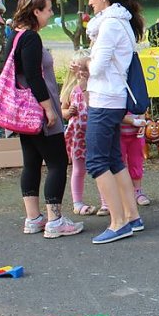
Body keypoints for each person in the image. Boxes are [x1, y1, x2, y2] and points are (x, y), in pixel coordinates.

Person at [71, 0, 145, 244]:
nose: (89, 2)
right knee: (113, 159)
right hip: (114, 99)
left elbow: (99, 66)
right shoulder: (120, 22)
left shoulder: (110, 25)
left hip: (105, 99)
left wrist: (84, 65)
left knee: (97, 161)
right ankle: (131, 216)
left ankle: (118, 222)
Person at [10, 0, 83, 239]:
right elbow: (33, 76)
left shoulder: (14, 36)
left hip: (22, 113)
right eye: (48, 9)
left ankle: (34, 218)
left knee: (31, 162)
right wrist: (49, 109)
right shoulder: (30, 38)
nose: (51, 14)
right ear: (36, 12)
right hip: (37, 110)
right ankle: (55, 220)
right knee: (57, 163)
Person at [61, 50, 97, 217]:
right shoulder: (70, 89)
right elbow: (62, 110)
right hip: (77, 135)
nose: (82, 71)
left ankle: (106, 202)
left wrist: (85, 87)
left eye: (85, 67)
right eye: (78, 67)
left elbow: (92, 105)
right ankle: (77, 202)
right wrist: (68, 112)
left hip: (94, 133)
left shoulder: (94, 86)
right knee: (78, 169)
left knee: (100, 167)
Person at [121, 112, 150, 206]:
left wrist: (142, 122)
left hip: (136, 135)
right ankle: (123, 193)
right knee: (119, 165)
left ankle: (138, 191)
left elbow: (141, 108)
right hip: (118, 134)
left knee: (136, 162)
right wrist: (134, 121)